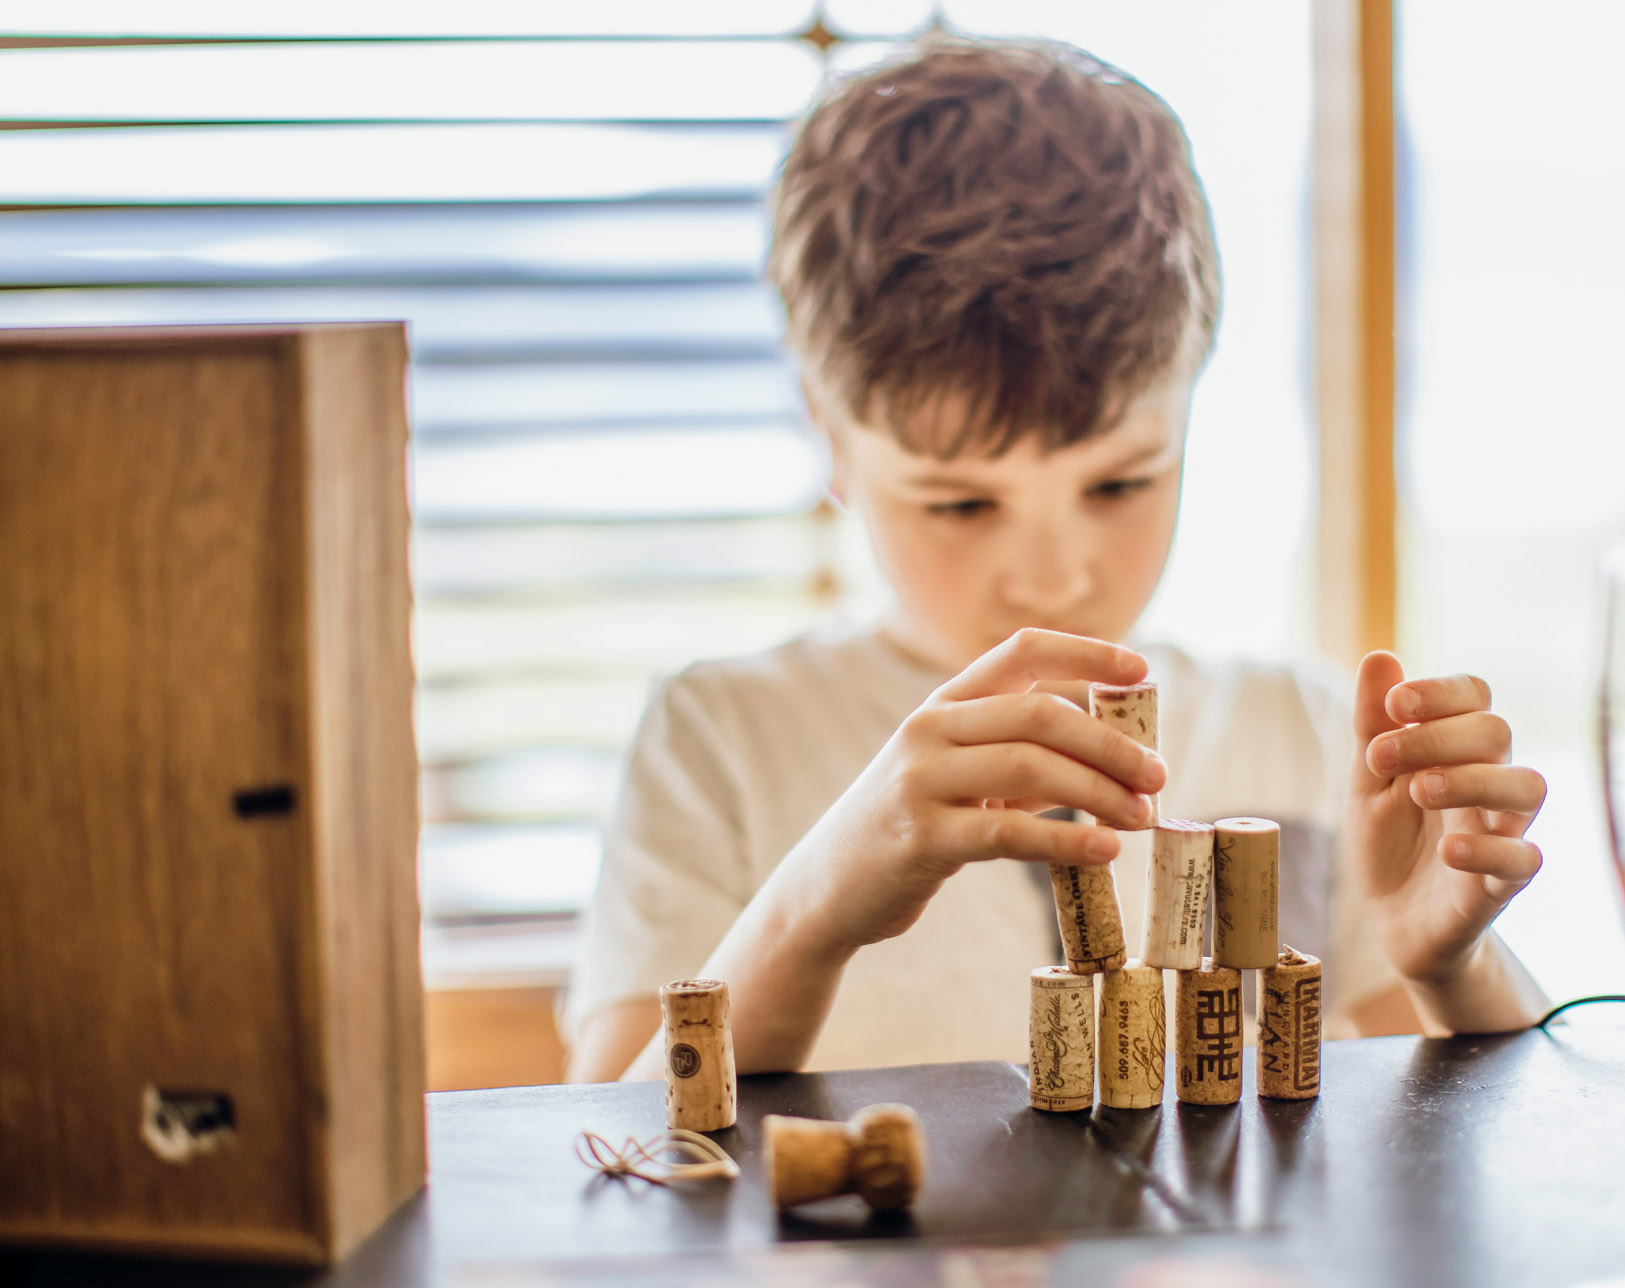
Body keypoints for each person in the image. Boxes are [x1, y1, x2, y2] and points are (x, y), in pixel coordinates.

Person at [564, 37, 1549, 1083]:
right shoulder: (718, 742)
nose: (1052, 579)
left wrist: (1452, 969)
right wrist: (814, 903)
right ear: (830, 437)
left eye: (1119, 484)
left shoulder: (1300, 736)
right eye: (958, 501)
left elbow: (1468, 1159)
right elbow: (614, 1152)